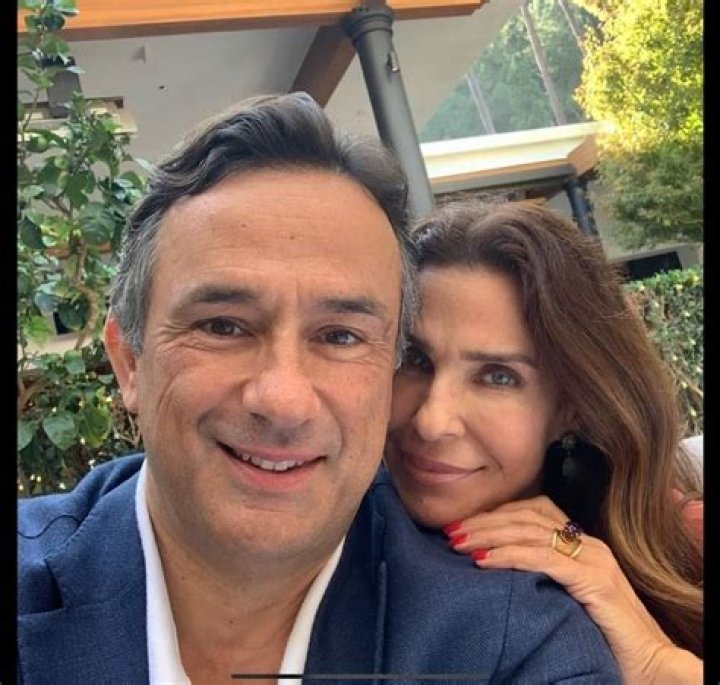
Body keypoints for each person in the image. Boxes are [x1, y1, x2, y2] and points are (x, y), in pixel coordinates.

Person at [17, 94, 620, 683]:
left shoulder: (515, 646)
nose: (283, 399)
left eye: (340, 336)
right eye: (223, 326)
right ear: (129, 362)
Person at [384, 199, 703, 684]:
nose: (432, 420)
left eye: (498, 376)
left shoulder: (684, 540)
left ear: (572, 407)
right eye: (414, 359)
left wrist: (657, 662)